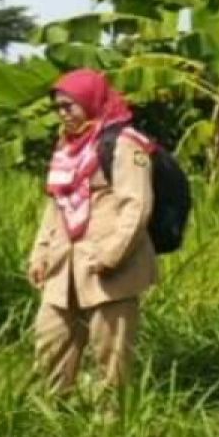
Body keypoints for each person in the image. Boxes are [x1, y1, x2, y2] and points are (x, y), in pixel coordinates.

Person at [28, 69, 156, 397]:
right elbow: (56, 204)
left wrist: (112, 255)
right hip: (63, 266)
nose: (63, 113)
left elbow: (136, 206)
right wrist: (41, 252)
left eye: (69, 106)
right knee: (50, 343)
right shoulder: (67, 147)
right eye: (58, 107)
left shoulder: (125, 144)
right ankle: (53, 415)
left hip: (107, 269)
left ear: (90, 101)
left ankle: (111, 423)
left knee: (110, 356)